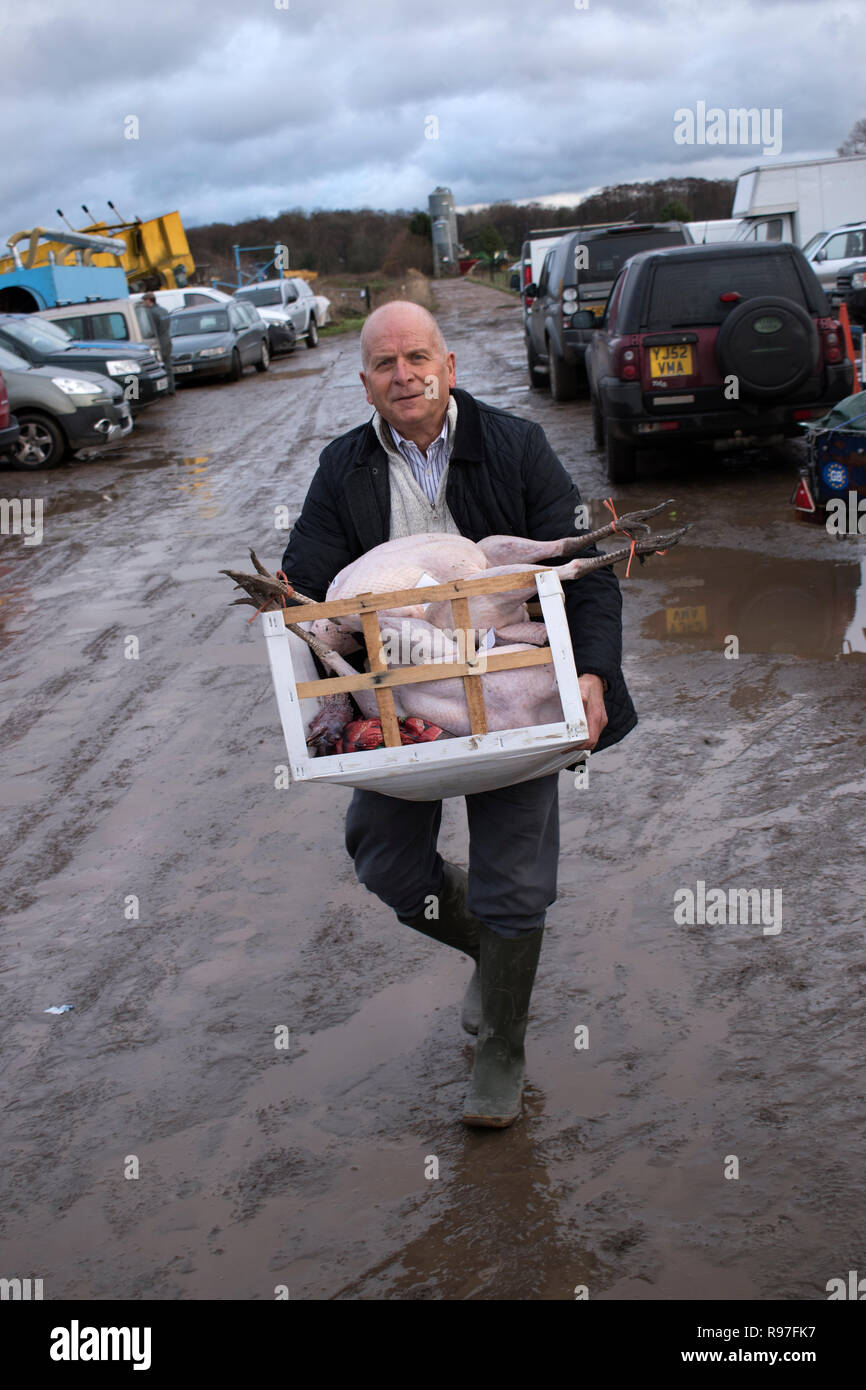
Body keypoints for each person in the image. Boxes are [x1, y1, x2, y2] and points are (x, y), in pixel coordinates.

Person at [280, 300, 636, 1128]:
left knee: (516, 878)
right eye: (383, 363)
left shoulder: (513, 445)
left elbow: (585, 562)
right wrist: (292, 618)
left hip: (513, 690)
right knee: (387, 863)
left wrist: (592, 672)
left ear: (449, 366)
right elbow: (307, 583)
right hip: (401, 702)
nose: (403, 374)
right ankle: (491, 951)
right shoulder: (343, 469)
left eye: (417, 357)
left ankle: (503, 1045)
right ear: (365, 382)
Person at [141, 293, 175, 395]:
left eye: (144, 301)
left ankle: (163, 390)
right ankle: (171, 388)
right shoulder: (164, 310)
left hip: (159, 342)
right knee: (168, 365)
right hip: (167, 340)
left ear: (148, 300)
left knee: (159, 367)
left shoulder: (151, 313)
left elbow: (151, 329)